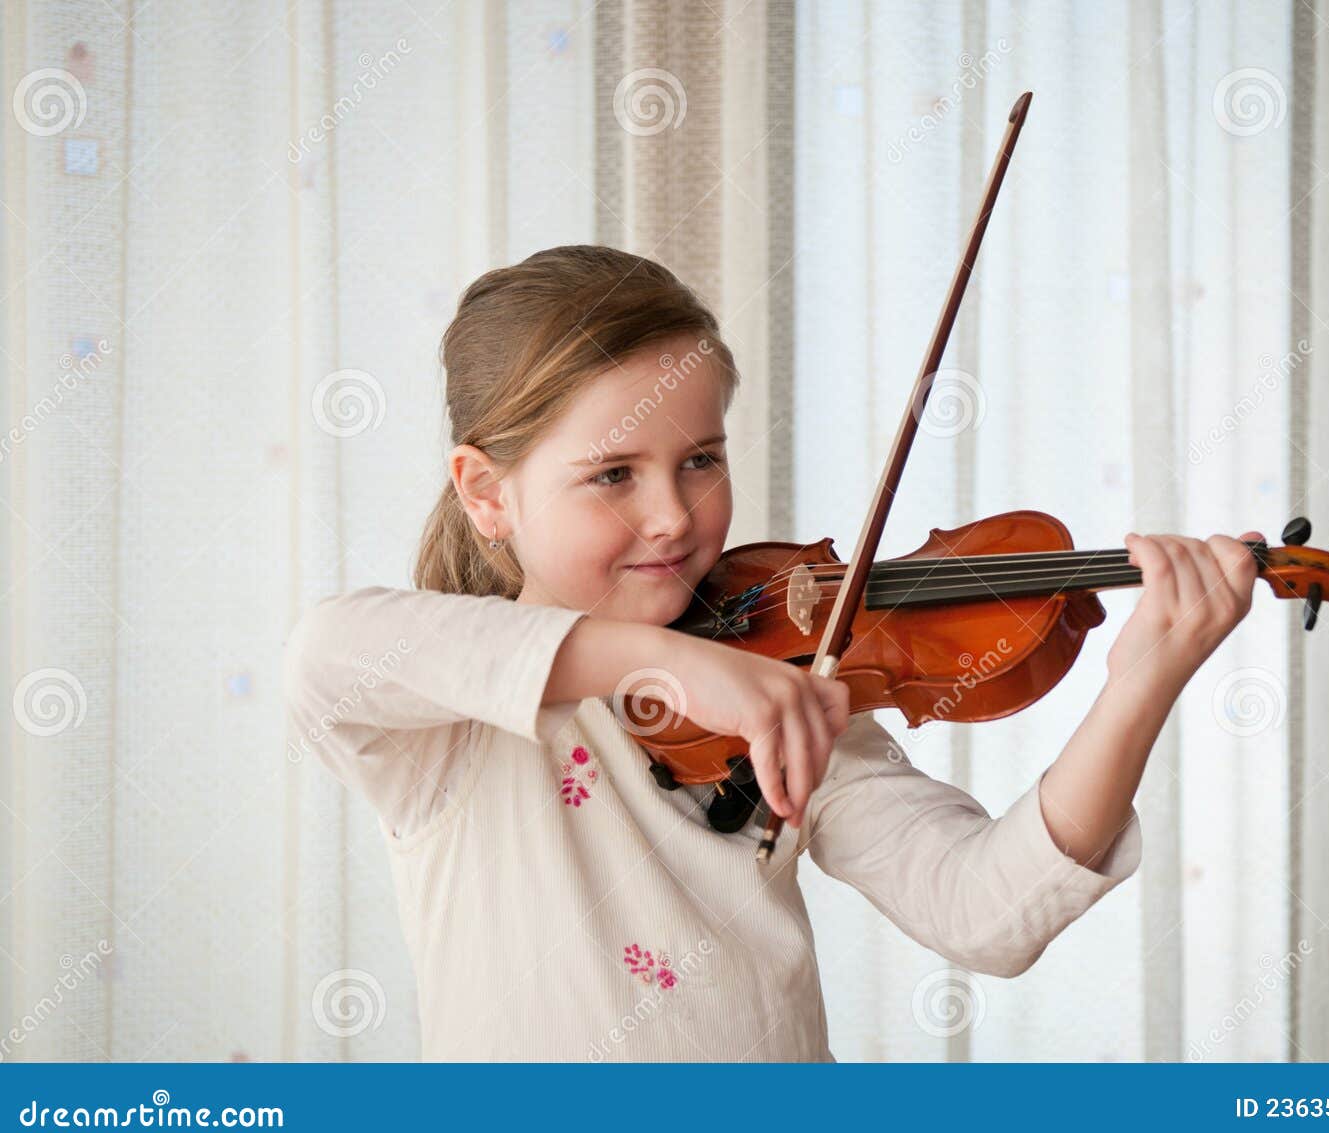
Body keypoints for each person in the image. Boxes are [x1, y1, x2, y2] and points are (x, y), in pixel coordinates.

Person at [283, 244, 1264, 1061]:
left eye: (699, 459)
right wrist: (658, 664)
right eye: (613, 474)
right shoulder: (443, 726)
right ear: (487, 491)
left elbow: (984, 913)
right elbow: (327, 651)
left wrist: (1138, 686)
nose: (672, 515)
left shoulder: (788, 685)